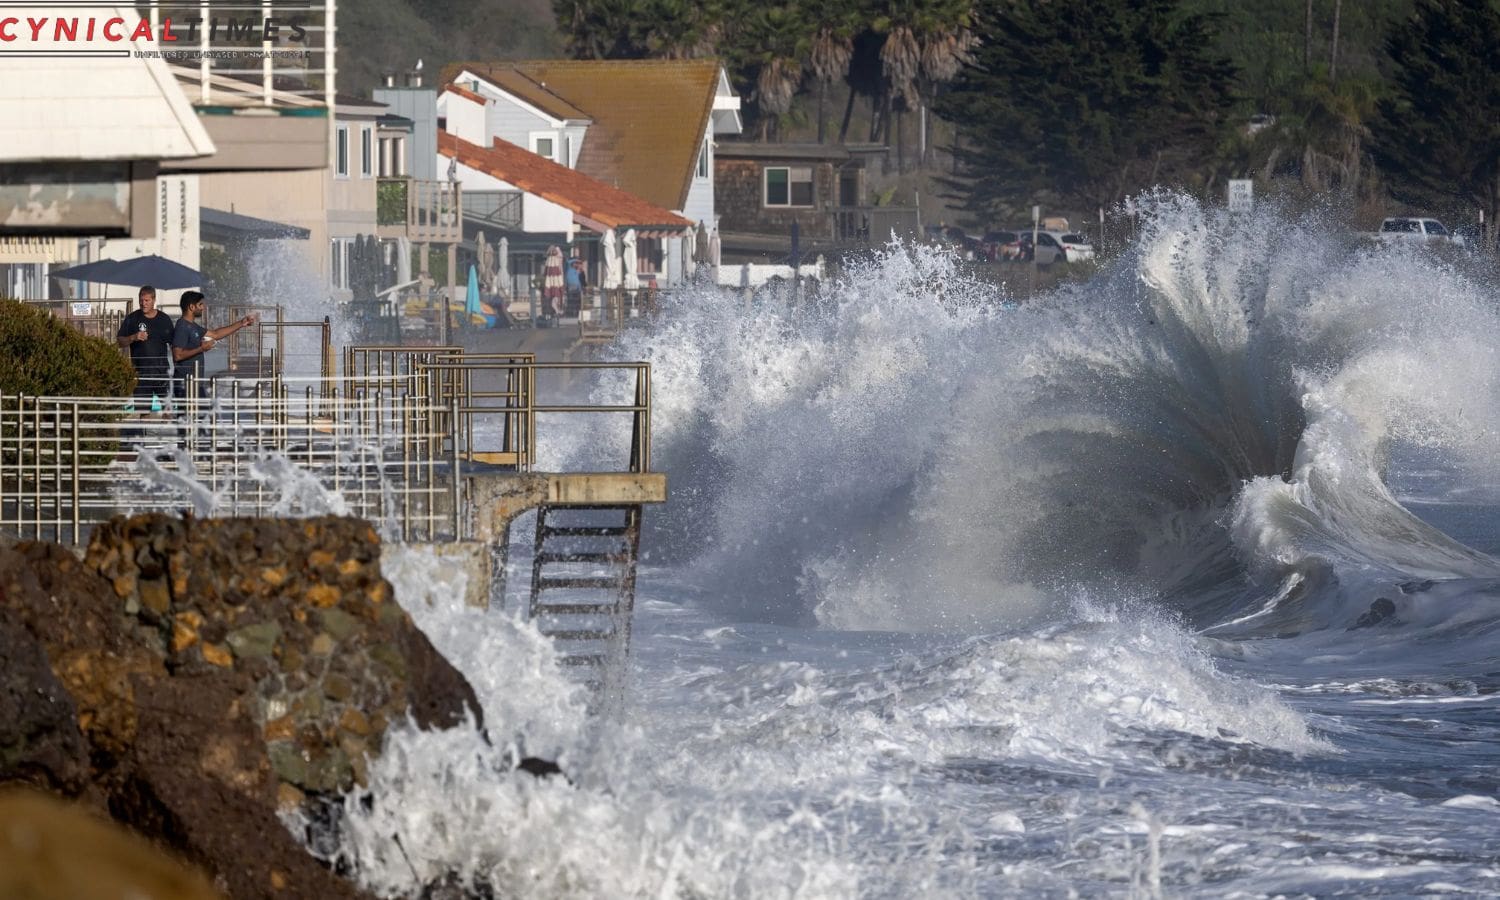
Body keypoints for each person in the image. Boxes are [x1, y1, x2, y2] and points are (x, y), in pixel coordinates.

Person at [171, 291, 257, 402]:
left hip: (195, 382)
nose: (203, 308)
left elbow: (215, 334)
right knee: (191, 416)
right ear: (192, 307)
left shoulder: (193, 326)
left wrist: (241, 323)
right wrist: (201, 348)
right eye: (200, 305)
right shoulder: (182, 326)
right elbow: (177, 355)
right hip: (185, 383)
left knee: (201, 414)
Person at [116, 285, 175, 409]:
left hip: (161, 372)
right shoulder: (132, 318)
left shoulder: (164, 319)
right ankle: (145, 428)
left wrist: (178, 368)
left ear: (154, 300)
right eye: (141, 300)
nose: (143, 304)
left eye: (147, 300)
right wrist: (133, 337)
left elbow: (174, 345)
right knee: (144, 413)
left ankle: (166, 426)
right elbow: (120, 342)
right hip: (140, 374)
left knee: (168, 410)